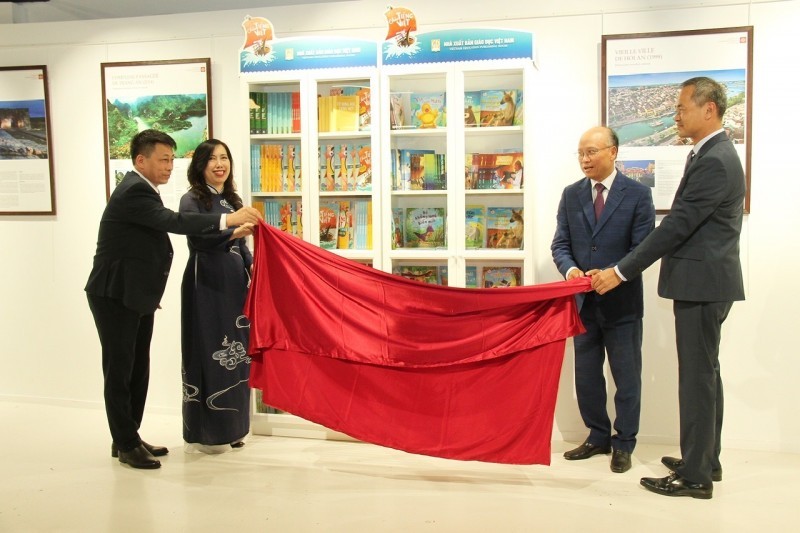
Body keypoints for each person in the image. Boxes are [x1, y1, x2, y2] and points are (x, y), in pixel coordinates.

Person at [591, 77, 745, 499]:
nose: (676, 115)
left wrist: (621, 271)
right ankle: (704, 460)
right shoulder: (712, 152)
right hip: (707, 282)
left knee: (697, 379)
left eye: (682, 108)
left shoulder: (714, 159)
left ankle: (695, 477)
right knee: (705, 374)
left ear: (708, 109)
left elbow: (677, 226)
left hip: (703, 284)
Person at [85, 129, 262, 470]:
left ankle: (129, 436)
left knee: (137, 368)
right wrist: (228, 221)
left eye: (171, 159)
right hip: (114, 293)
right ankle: (125, 443)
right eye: (163, 159)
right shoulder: (134, 191)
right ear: (141, 160)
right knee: (120, 371)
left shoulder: (145, 190)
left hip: (135, 294)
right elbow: (176, 222)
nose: (169, 166)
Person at [551, 126, 655, 473]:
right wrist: (570, 272)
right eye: (581, 153)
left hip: (622, 303)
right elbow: (560, 245)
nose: (585, 159)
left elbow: (643, 249)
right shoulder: (571, 195)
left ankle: (624, 443)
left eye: (592, 151)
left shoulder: (638, 194)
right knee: (587, 376)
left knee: (626, 377)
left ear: (613, 152)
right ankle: (597, 436)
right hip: (582, 306)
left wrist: (611, 273)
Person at [179, 139, 254, 453]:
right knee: (208, 351)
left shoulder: (232, 199)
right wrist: (233, 232)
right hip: (206, 284)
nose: (219, 164)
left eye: (224, 158)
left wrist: (256, 271)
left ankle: (234, 428)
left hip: (235, 285)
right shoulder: (191, 199)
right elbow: (197, 239)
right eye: (212, 159)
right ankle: (206, 430)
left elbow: (242, 248)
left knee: (238, 356)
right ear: (200, 165)